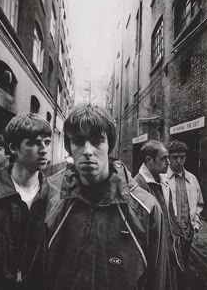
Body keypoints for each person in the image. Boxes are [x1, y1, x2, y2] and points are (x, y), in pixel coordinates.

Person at [45, 103, 168, 290]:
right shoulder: (54, 203)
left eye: (96, 141)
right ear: (69, 147)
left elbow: (159, 280)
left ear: (109, 145)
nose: (87, 151)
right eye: (78, 141)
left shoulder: (145, 208)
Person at [0, 113, 56, 290]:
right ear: (13, 148)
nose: (43, 149)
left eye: (47, 142)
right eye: (34, 143)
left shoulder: (57, 199)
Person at [134, 140, 185, 290]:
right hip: (154, 254)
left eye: (168, 158)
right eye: (163, 158)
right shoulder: (138, 185)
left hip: (169, 248)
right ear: (149, 160)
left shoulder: (163, 180)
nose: (168, 162)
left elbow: (169, 211)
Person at [167, 140, 204, 265]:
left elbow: (199, 204)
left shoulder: (192, 179)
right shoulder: (162, 179)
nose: (179, 161)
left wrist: (196, 224)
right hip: (169, 236)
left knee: (184, 268)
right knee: (170, 270)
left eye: (182, 157)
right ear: (169, 158)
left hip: (188, 234)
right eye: (175, 157)